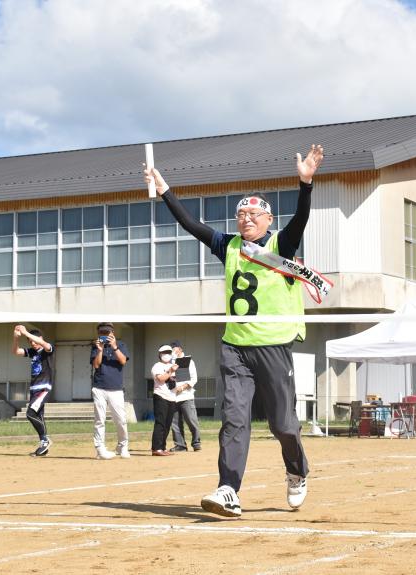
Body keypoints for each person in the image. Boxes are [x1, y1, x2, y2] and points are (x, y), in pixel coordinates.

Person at [146, 144, 324, 518]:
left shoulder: (280, 244)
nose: (245, 219)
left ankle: (296, 471)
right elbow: (191, 225)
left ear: (268, 219)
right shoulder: (228, 246)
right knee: (234, 420)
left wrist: (305, 184)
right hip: (236, 347)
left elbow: (301, 219)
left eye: (253, 214)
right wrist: (165, 191)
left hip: (273, 346)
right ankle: (228, 488)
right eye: (241, 214)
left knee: (283, 425)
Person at [12, 325, 54, 457]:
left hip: (43, 388)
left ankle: (45, 440)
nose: (33, 343)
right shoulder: (33, 352)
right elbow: (16, 351)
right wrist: (16, 338)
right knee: (39, 416)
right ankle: (43, 445)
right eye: (30, 342)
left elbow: (44, 344)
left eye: (34, 341)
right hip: (34, 389)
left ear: (40, 338)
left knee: (30, 413)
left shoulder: (47, 349)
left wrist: (26, 333)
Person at [90, 322, 130, 460]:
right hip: (99, 387)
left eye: (107, 333)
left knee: (121, 420)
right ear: (98, 333)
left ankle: (123, 446)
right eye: (102, 333)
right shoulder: (95, 346)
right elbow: (96, 365)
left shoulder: (121, 345)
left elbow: (123, 361)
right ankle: (100, 449)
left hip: (116, 388)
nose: (105, 335)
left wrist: (114, 347)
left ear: (113, 333)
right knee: (99, 420)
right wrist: (100, 350)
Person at [169, 340, 201, 452]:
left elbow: (194, 379)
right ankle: (180, 445)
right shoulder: (169, 363)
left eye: (174, 349)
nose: (172, 351)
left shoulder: (189, 361)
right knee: (175, 423)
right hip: (173, 397)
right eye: (171, 350)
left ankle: (196, 443)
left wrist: (182, 388)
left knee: (192, 420)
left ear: (180, 349)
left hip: (186, 396)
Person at [150, 344, 178, 456]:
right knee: (160, 422)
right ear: (160, 354)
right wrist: (170, 370)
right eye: (164, 353)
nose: (166, 355)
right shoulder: (157, 366)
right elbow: (161, 378)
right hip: (160, 396)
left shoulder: (173, 366)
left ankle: (162, 447)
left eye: (168, 352)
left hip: (172, 397)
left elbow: (178, 379)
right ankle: (156, 448)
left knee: (167, 423)